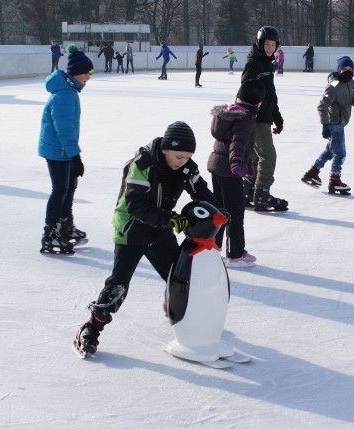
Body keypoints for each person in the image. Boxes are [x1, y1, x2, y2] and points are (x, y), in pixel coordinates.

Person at [74, 121, 219, 356]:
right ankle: (91, 329)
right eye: (178, 156)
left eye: (187, 157)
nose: (182, 161)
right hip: (132, 231)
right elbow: (135, 204)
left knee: (178, 278)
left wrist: (218, 211)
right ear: (164, 149)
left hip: (159, 231)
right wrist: (169, 219)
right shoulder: (143, 164)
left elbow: (201, 191)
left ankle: (177, 311)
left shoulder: (186, 167)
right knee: (118, 286)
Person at [38, 44, 94, 255]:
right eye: (87, 73)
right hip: (58, 152)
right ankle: (50, 234)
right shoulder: (64, 95)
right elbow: (64, 130)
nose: (88, 77)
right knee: (60, 190)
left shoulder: (68, 91)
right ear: (77, 73)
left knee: (69, 188)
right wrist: (75, 156)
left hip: (63, 151)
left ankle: (65, 227)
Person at [207, 78, 266, 268]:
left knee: (219, 210)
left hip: (217, 166)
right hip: (230, 171)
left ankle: (212, 247)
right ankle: (236, 253)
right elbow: (238, 143)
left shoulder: (230, 112)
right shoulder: (246, 117)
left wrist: (245, 164)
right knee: (235, 213)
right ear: (258, 102)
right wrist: (238, 164)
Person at [301, 56, 354, 194]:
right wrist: (325, 124)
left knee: (330, 151)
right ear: (339, 70)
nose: (348, 71)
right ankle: (334, 179)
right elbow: (322, 106)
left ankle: (312, 173)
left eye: (350, 69)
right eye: (344, 69)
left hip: (341, 123)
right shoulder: (334, 85)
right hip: (333, 123)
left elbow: (352, 99)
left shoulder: (352, 83)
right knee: (340, 153)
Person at [241, 26, 288, 212]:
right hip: (255, 118)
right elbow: (245, 91)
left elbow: (270, 95)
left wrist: (277, 118)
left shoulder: (267, 64)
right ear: (260, 44)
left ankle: (247, 191)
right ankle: (261, 193)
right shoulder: (254, 64)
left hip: (264, 117)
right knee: (268, 156)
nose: (269, 48)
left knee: (255, 156)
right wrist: (248, 115)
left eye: (273, 44)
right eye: (266, 44)